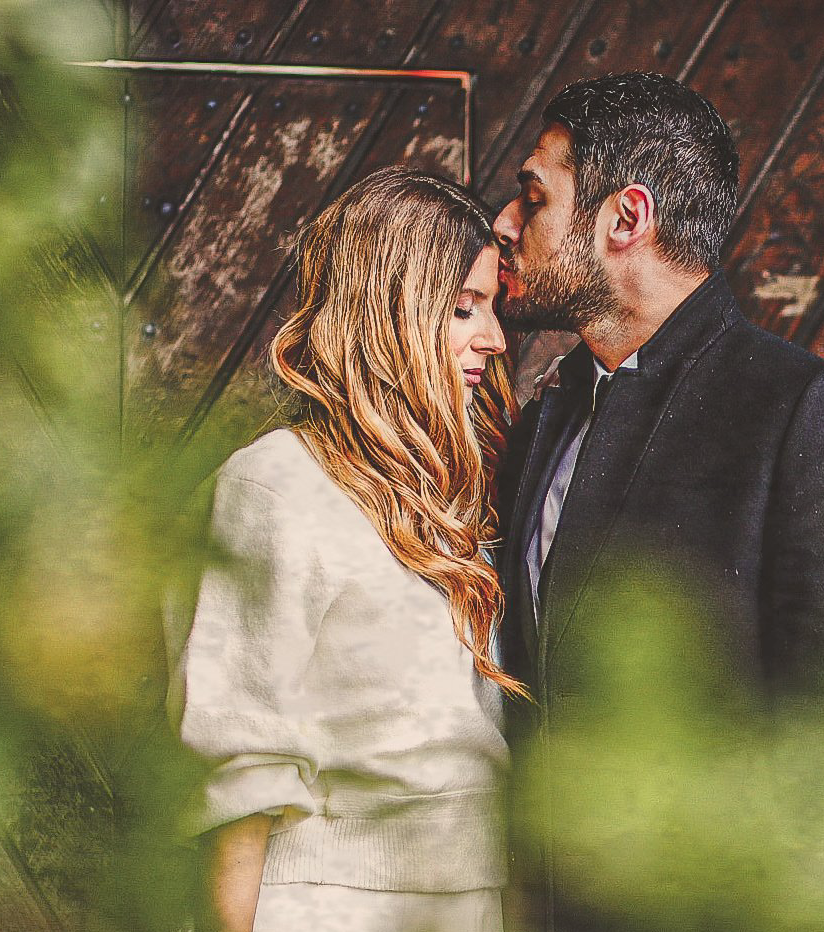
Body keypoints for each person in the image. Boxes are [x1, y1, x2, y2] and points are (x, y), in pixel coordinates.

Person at [490, 72, 824, 931]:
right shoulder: (545, 419)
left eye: (533, 197)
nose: (504, 223)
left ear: (625, 219)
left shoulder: (800, 409)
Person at [169, 167, 522, 932]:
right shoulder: (275, 485)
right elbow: (237, 762)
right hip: (327, 904)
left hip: (465, 904)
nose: (493, 340)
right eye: (463, 308)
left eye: (492, 308)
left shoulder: (448, 503)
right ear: (390, 310)